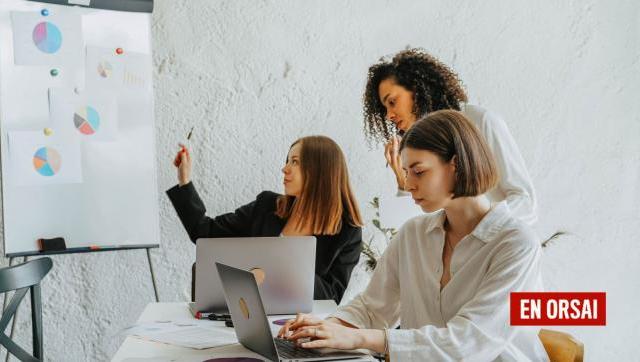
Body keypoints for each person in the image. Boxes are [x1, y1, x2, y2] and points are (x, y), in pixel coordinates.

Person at [278, 111, 548, 361]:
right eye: (406, 172)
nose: (408, 184)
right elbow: (373, 308)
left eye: (418, 171)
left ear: (456, 164)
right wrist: (326, 327)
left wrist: (358, 338)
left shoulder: (516, 244)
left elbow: (468, 343)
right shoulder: (413, 234)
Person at [166, 135, 363, 304]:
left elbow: (331, 298)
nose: (285, 168)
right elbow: (204, 232)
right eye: (287, 160)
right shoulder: (267, 206)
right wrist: (185, 180)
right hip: (247, 315)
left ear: (320, 171)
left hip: (298, 326)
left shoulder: (347, 232)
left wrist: (286, 262)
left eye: (295, 162)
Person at [364, 48, 537, 225]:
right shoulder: (416, 148)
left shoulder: (480, 122)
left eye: (392, 102)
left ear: (417, 90)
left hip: (494, 248)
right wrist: (403, 180)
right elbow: (410, 229)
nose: (389, 115)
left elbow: (525, 202)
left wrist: (478, 228)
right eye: (385, 108)